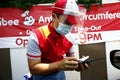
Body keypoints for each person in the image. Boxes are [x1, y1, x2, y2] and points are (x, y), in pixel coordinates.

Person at [26, 0, 89, 80]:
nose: (69, 27)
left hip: (61, 77)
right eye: (67, 22)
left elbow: (71, 59)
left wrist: (78, 65)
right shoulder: (37, 36)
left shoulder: (69, 37)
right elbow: (33, 69)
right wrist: (59, 65)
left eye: (72, 23)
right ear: (53, 17)